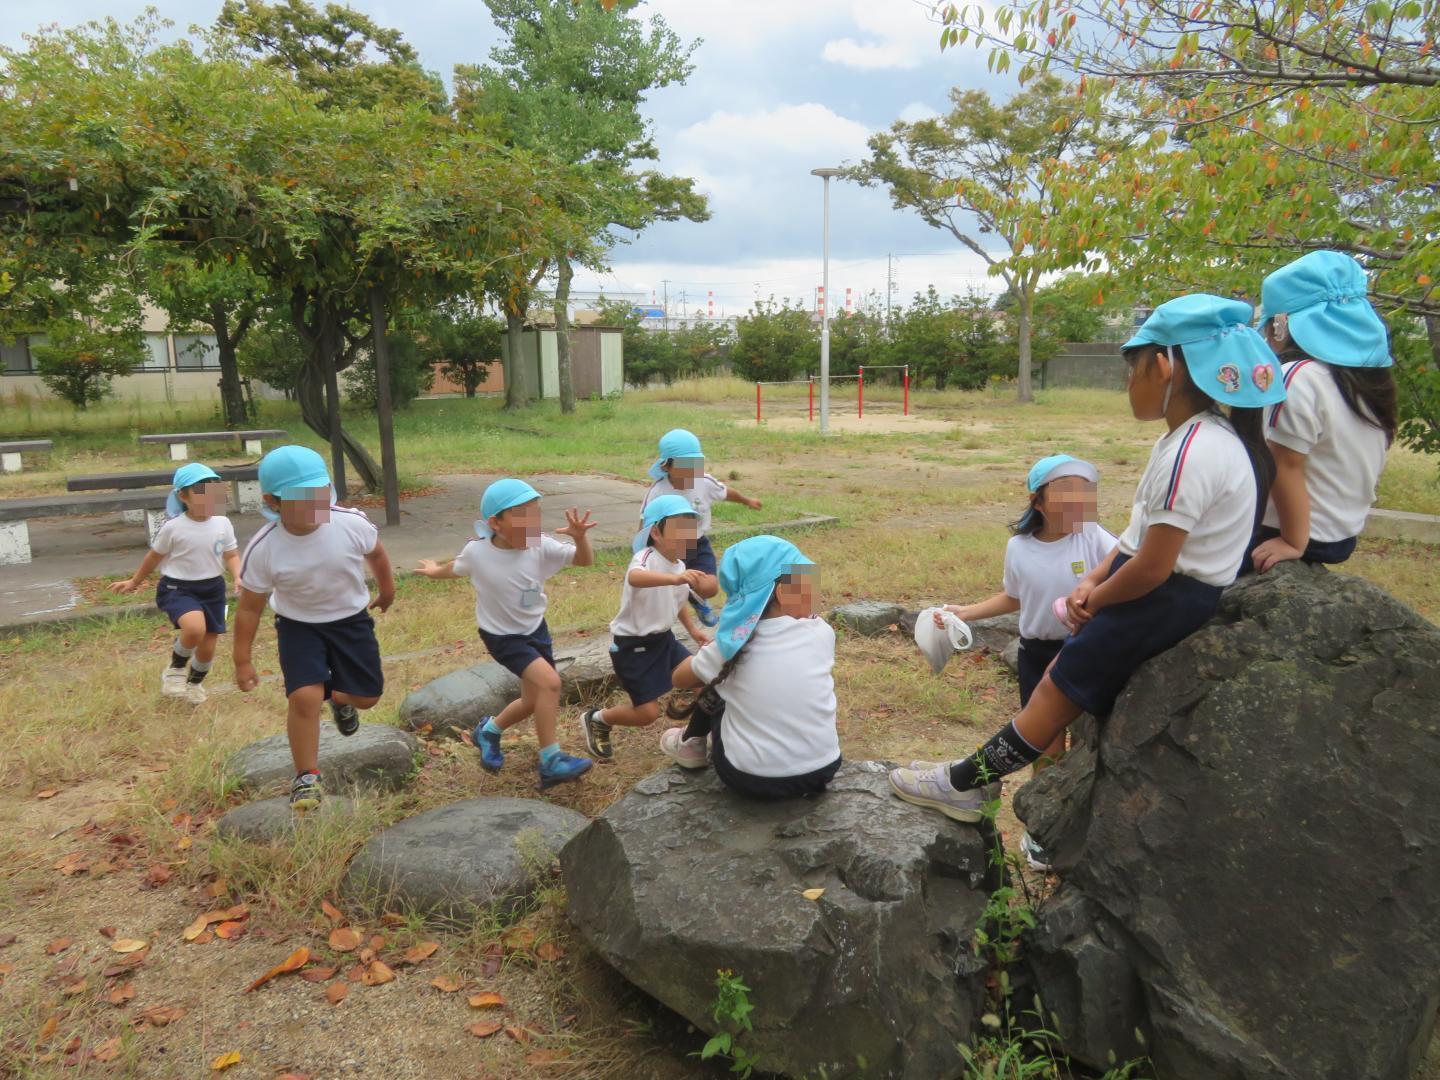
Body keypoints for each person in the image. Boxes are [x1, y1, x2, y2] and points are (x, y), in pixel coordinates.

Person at [889, 294, 1284, 823]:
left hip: (1163, 599)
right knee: (1056, 683)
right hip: (1156, 591)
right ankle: (977, 782)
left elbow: (1153, 566)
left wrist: (1096, 597)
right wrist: (1095, 577)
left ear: (1163, 365)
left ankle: (965, 784)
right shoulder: (1192, 439)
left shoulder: (1194, 452)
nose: (1128, 385)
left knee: (1056, 689)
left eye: (1132, 370)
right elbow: (1134, 538)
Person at [930, 454, 1116, 868]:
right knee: (1047, 746)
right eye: (1066, 491)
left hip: (1083, 648)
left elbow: (1123, 561)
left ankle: (1084, 821)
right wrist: (966, 611)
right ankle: (1042, 829)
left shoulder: (1094, 538)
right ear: (1038, 500)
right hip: (1037, 653)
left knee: (1088, 740)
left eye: (1086, 493)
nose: (1078, 502)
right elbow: (1014, 597)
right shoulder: (1019, 547)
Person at [233, 447, 395, 811]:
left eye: (319, 494)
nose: (313, 506)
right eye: (301, 499)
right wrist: (242, 660)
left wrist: (387, 590)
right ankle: (306, 775)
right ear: (273, 502)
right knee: (304, 697)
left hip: (351, 622)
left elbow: (378, 554)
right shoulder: (264, 547)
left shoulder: (350, 524)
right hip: (298, 627)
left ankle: (340, 700)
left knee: (368, 697)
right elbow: (248, 608)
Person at [414, 478, 596, 790]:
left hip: (535, 631)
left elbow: (584, 560)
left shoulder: (540, 545)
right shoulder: (477, 553)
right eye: (522, 516)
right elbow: (455, 567)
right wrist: (433, 570)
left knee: (531, 700)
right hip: (502, 637)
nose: (532, 523)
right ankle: (551, 760)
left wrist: (580, 539)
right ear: (495, 523)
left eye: (535, 515)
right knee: (551, 683)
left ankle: (488, 732)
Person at [1248, 250, 1398, 573]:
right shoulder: (1367, 379)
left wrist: (1292, 541)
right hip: (1341, 533)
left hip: (1295, 532)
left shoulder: (1297, 377)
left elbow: (1285, 465)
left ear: (1281, 326)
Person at [662, 535, 841, 799]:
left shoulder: (729, 648)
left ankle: (691, 744)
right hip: (824, 768)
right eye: (808, 584)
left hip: (751, 778)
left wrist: (708, 654)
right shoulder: (822, 631)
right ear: (782, 592)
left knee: (719, 687)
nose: (816, 593)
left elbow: (679, 679)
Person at [577, 494, 711, 760]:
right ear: (656, 533)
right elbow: (635, 578)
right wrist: (674, 579)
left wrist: (693, 630)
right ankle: (599, 719)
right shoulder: (646, 557)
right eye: (679, 530)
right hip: (633, 645)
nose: (687, 537)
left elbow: (678, 600)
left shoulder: (680, 566)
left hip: (665, 640)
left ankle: (701, 736)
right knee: (647, 714)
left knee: (704, 681)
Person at [109, 463, 240, 705]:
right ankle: (176, 669)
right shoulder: (174, 528)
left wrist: (238, 576)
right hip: (178, 589)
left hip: (213, 589)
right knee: (194, 629)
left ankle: (195, 683)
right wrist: (135, 581)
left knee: (208, 646)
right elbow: (153, 557)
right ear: (183, 496)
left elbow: (231, 555)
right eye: (201, 491)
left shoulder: (223, 523)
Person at [641, 428, 762, 626]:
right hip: (669, 550)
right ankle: (674, 608)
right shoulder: (658, 491)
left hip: (697, 544)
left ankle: (696, 598)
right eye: (685, 466)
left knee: (709, 587)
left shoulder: (704, 482)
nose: (692, 471)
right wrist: (643, 554)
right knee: (666, 591)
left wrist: (747, 500)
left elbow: (726, 492)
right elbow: (645, 523)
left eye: (695, 465)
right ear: (667, 466)